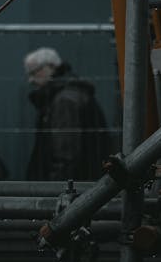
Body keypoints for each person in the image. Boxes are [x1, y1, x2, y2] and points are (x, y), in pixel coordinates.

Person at [24, 47, 109, 181]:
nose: (31, 80)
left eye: (34, 72)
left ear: (50, 67)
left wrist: (53, 189)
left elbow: (66, 155)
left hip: (69, 188)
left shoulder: (64, 101)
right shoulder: (69, 94)